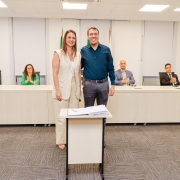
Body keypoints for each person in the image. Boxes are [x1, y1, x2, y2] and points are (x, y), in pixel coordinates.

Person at [52, 30, 81, 149]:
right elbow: (55, 73)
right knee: (61, 117)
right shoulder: (58, 53)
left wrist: (80, 88)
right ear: (65, 39)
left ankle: (72, 138)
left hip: (75, 87)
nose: (71, 40)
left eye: (73, 38)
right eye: (69, 37)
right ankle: (61, 140)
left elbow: (79, 72)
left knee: (73, 116)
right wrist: (57, 90)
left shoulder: (78, 54)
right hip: (62, 87)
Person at [81, 27, 115, 108]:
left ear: (98, 36)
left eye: (95, 34)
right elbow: (79, 66)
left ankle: (103, 121)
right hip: (89, 85)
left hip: (103, 85)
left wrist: (113, 84)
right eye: (91, 34)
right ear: (88, 37)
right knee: (88, 110)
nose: (93, 36)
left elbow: (111, 67)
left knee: (102, 111)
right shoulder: (83, 50)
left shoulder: (106, 49)